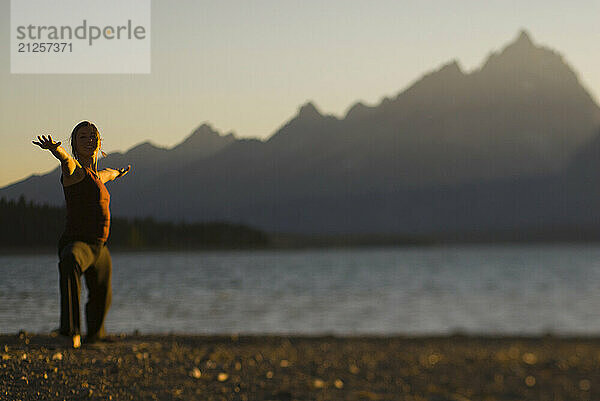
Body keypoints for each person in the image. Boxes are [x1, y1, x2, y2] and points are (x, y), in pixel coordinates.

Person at [33, 121, 131, 348]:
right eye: (82, 137)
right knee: (70, 261)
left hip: (100, 247)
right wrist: (56, 150)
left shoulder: (97, 176)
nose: (89, 140)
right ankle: (69, 332)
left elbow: (107, 174)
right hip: (79, 243)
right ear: (75, 145)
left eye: (92, 136)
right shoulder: (74, 171)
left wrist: (118, 172)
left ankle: (95, 335)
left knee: (102, 293)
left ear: (99, 143)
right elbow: (66, 160)